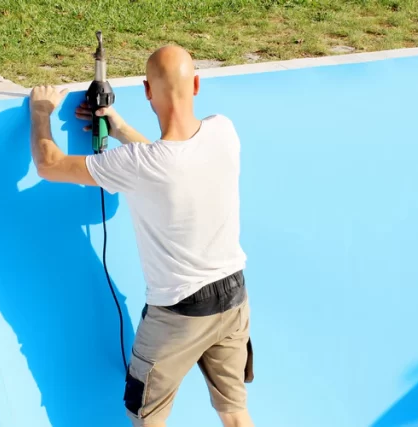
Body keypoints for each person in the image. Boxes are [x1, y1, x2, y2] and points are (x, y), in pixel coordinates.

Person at [28, 44, 255, 427]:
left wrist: (41, 112)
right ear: (196, 84)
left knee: (147, 418)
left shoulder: (137, 164)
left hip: (178, 313)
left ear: (147, 91)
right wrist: (118, 127)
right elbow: (171, 164)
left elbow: (49, 165)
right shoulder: (224, 130)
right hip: (233, 299)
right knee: (234, 414)